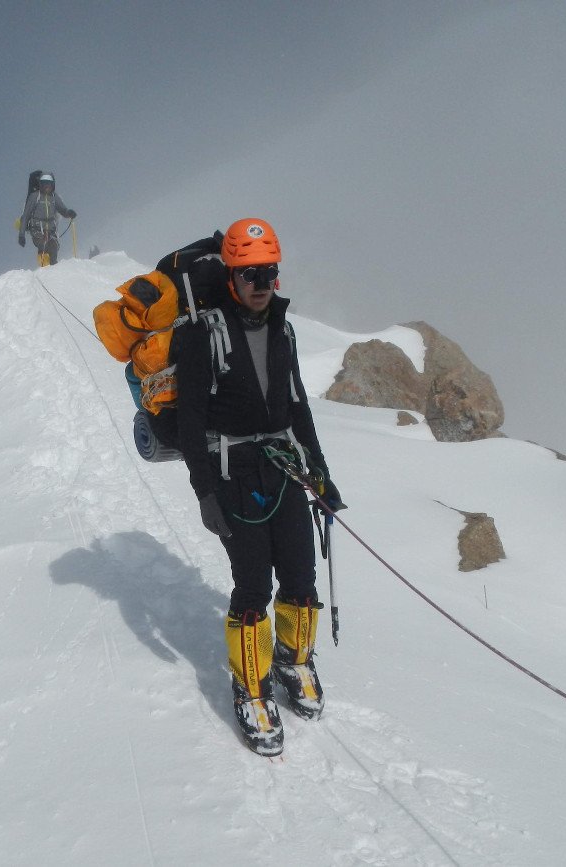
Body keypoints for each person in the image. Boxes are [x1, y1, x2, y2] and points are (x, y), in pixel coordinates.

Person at [173, 218, 344, 756]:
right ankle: (251, 687)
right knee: (253, 583)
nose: (261, 282)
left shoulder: (283, 329)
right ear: (231, 274)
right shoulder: (201, 332)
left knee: (299, 572)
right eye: (249, 273)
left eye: (268, 271)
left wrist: (320, 473)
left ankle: (295, 661)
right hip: (232, 473)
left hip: (283, 465)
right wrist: (204, 492)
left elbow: (297, 405)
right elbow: (189, 419)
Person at [18, 172, 76, 267]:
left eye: (49, 183)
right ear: (40, 184)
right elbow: (26, 215)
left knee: (53, 246)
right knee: (43, 244)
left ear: (52, 184)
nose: (46, 186)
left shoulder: (54, 197)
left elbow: (62, 209)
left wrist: (69, 213)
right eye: (44, 183)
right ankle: (44, 268)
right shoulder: (34, 196)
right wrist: (21, 235)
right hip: (37, 231)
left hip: (51, 232)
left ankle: (53, 270)